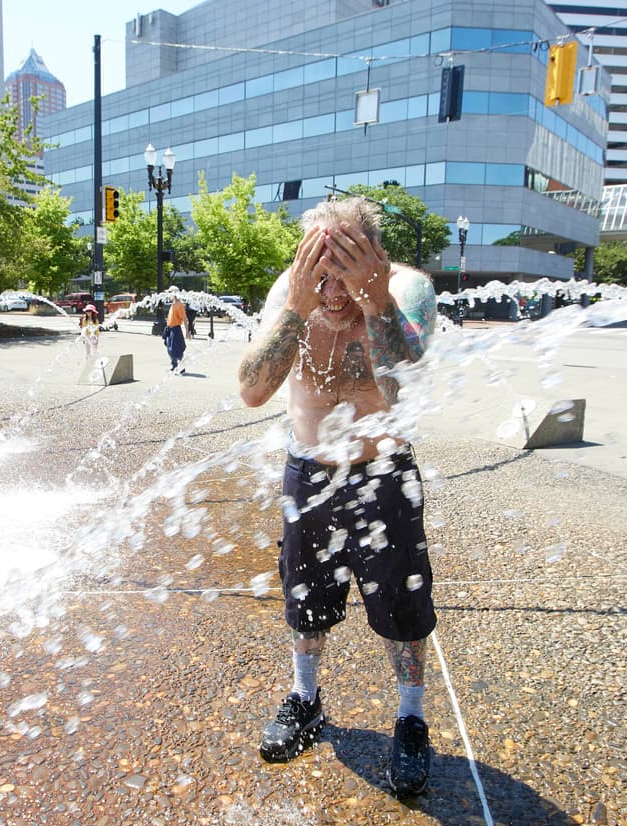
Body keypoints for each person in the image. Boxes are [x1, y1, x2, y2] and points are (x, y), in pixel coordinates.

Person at [237, 196, 437, 795]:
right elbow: (252, 391)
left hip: (383, 473)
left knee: (403, 605)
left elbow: (400, 391)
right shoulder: (291, 292)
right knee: (304, 594)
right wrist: (296, 309)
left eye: (345, 271)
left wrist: (374, 299)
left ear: (373, 256)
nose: (331, 291)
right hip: (310, 470)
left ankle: (410, 719)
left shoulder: (409, 290)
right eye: (320, 271)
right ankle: (305, 697)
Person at [163, 288, 188, 374]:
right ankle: (175, 365)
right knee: (170, 349)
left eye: (170, 293)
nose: (168, 295)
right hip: (170, 329)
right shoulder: (173, 304)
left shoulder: (179, 305)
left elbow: (184, 319)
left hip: (176, 329)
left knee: (175, 349)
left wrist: (187, 331)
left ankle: (179, 366)